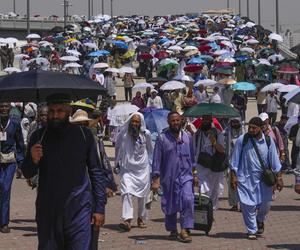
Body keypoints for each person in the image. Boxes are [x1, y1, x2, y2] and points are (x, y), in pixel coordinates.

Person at [21, 94, 107, 249]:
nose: (55, 115)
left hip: (79, 209)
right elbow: (27, 173)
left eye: (60, 111)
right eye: (51, 111)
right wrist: (33, 159)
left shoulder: (83, 135)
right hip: (48, 211)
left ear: (69, 110)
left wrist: (99, 207)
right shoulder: (39, 137)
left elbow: (96, 171)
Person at [230, 117, 283, 240]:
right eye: (250, 127)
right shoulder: (242, 140)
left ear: (260, 128)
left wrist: (279, 177)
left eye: (254, 128)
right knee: (248, 206)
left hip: (263, 180)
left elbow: (275, 161)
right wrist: (233, 177)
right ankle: (251, 230)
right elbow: (234, 161)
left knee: (266, 204)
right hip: (245, 180)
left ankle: (260, 219)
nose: (251, 130)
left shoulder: (268, 142)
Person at [152, 112, 196, 243]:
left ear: (181, 121)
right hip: (169, 177)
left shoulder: (188, 137)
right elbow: (157, 160)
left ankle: (185, 229)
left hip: (186, 176)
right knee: (171, 203)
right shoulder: (162, 139)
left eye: (178, 120)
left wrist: (195, 174)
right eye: (173, 121)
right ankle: (172, 229)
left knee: (188, 199)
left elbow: (193, 157)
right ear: (168, 122)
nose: (176, 123)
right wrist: (156, 178)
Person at [115, 113, 153, 231]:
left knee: (143, 195)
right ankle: (127, 219)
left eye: (137, 122)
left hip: (143, 169)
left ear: (140, 123)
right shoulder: (123, 134)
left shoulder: (146, 134)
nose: (134, 124)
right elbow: (118, 149)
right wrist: (117, 163)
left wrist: (152, 168)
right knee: (126, 192)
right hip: (127, 169)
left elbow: (150, 151)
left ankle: (141, 218)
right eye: (133, 121)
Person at [0, 103, 25, 233]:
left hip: (9, 162)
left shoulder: (15, 123)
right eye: (1, 107)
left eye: (6, 107)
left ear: (10, 109)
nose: (3, 109)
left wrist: (21, 164)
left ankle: (4, 223)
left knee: (5, 188)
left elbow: (20, 143)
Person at [193, 115, 225, 210]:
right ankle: (204, 210)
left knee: (214, 190)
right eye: (204, 119)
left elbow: (222, 150)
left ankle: (211, 211)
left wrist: (214, 142)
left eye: (207, 119)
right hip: (201, 165)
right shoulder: (197, 134)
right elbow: (193, 150)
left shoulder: (218, 133)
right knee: (203, 189)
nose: (205, 121)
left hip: (214, 166)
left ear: (211, 121)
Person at [224, 118, 245, 211]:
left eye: (237, 122)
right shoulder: (225, 133)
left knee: (242, 184)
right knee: (231, 184)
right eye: (233, 122)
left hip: (242, 163)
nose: (235, 123)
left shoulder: (245, 134)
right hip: (229, 162)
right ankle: (234, 204)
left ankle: (243, 204)